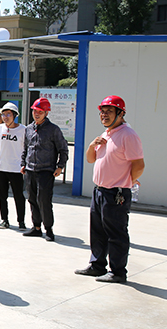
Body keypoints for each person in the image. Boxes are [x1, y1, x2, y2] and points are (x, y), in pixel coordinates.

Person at [75, 96, 144, 284]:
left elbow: (139, 165)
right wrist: (92, 145)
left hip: (116, 193)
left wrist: (128, 181)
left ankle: (118, 271)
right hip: (99, 191)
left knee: (116, 233)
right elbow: (91, 159)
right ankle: (97, 265)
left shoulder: (128, 135)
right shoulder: (106, 134)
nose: (104, 115)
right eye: (102, 112)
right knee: (97, 231)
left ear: (121, 114)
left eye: (109, 111)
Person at [21, 97, 69, 242]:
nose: (37, 114)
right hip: (30, 169)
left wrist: (60, 166)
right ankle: (36, 227)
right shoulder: (28, 129)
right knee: (32, 199)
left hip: (46, 170)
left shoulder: (53, 130)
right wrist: (23, 163)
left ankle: (48, 229)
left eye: (40, 112)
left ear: (46, 113)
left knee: (44, 200)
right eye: (35, 111)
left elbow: (63, 149)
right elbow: (26, 148)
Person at [0, 102, 27, 230]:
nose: (5, 117)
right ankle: (4, 220)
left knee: (18, 196)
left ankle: (21, 221)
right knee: (2, 196)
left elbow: (27, 148)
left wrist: (25, 164)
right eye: (3, 114)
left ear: (15, 115)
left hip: (16, 169)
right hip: (1, 168)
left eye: (8, 114)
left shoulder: (23, 130)